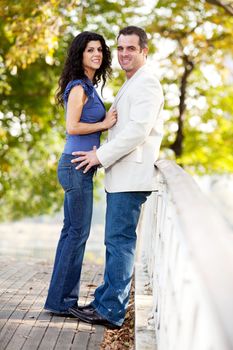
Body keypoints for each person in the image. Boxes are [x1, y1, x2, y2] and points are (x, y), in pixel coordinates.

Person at [69, 26, 164, 328]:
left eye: (131, 49)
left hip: (131, 175)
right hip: (121, 175)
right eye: (121, 48)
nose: (124, 54)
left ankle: (111, 311)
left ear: (144, 52)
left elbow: (137, 131)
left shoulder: (147, 83)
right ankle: (104, 300)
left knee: (120, 243)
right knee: (114, 242)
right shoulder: (131, 82)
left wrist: (100, 155)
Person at [44, 31, 117, 315]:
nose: (96, 54)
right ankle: (62, 302)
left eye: (99, 49)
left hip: (78, 167)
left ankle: (59, 300)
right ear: (80, 55)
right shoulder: (79, 87)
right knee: (76, 233)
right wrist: (105, 123)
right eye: (90, 50)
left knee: (71, 233)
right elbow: (72, 127)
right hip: (74, 166)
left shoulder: (88, 85)